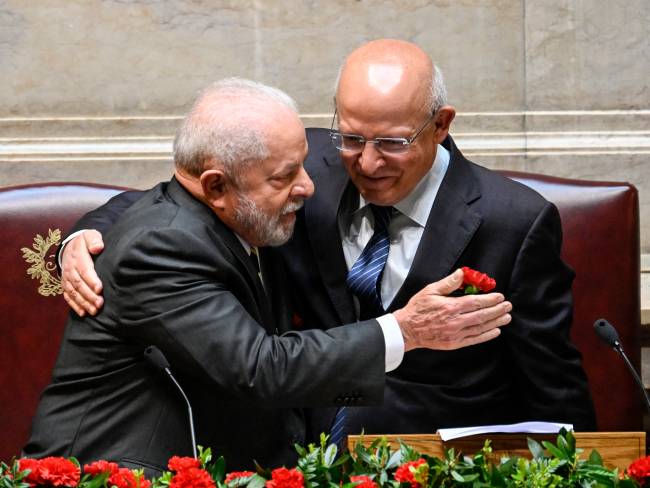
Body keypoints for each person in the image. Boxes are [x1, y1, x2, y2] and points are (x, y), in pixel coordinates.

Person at [60, 39, 596, 439]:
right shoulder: (302, 167)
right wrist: (85, 238)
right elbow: (171, 200)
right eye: (352, 136)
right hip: (292, 448)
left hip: (431, 455)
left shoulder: (515, 221)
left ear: (440, 125)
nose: (366, 163)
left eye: (390, 142)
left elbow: (551, 384)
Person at [24, 77, 511, 474]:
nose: (308, 186)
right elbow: (260, 369)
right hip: (114, 474)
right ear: (216, 186)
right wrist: (406, 330)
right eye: (284, 177)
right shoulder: (163, 246)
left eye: (301, 164)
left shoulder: (248, 205)